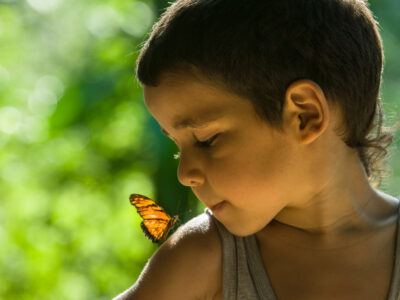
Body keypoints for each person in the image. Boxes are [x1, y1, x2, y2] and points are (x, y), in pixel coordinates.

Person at [114, 0, 400, 299]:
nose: (185, 174)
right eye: (177, 147)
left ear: (305, 116)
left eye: (206, 140)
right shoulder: (201, 259)